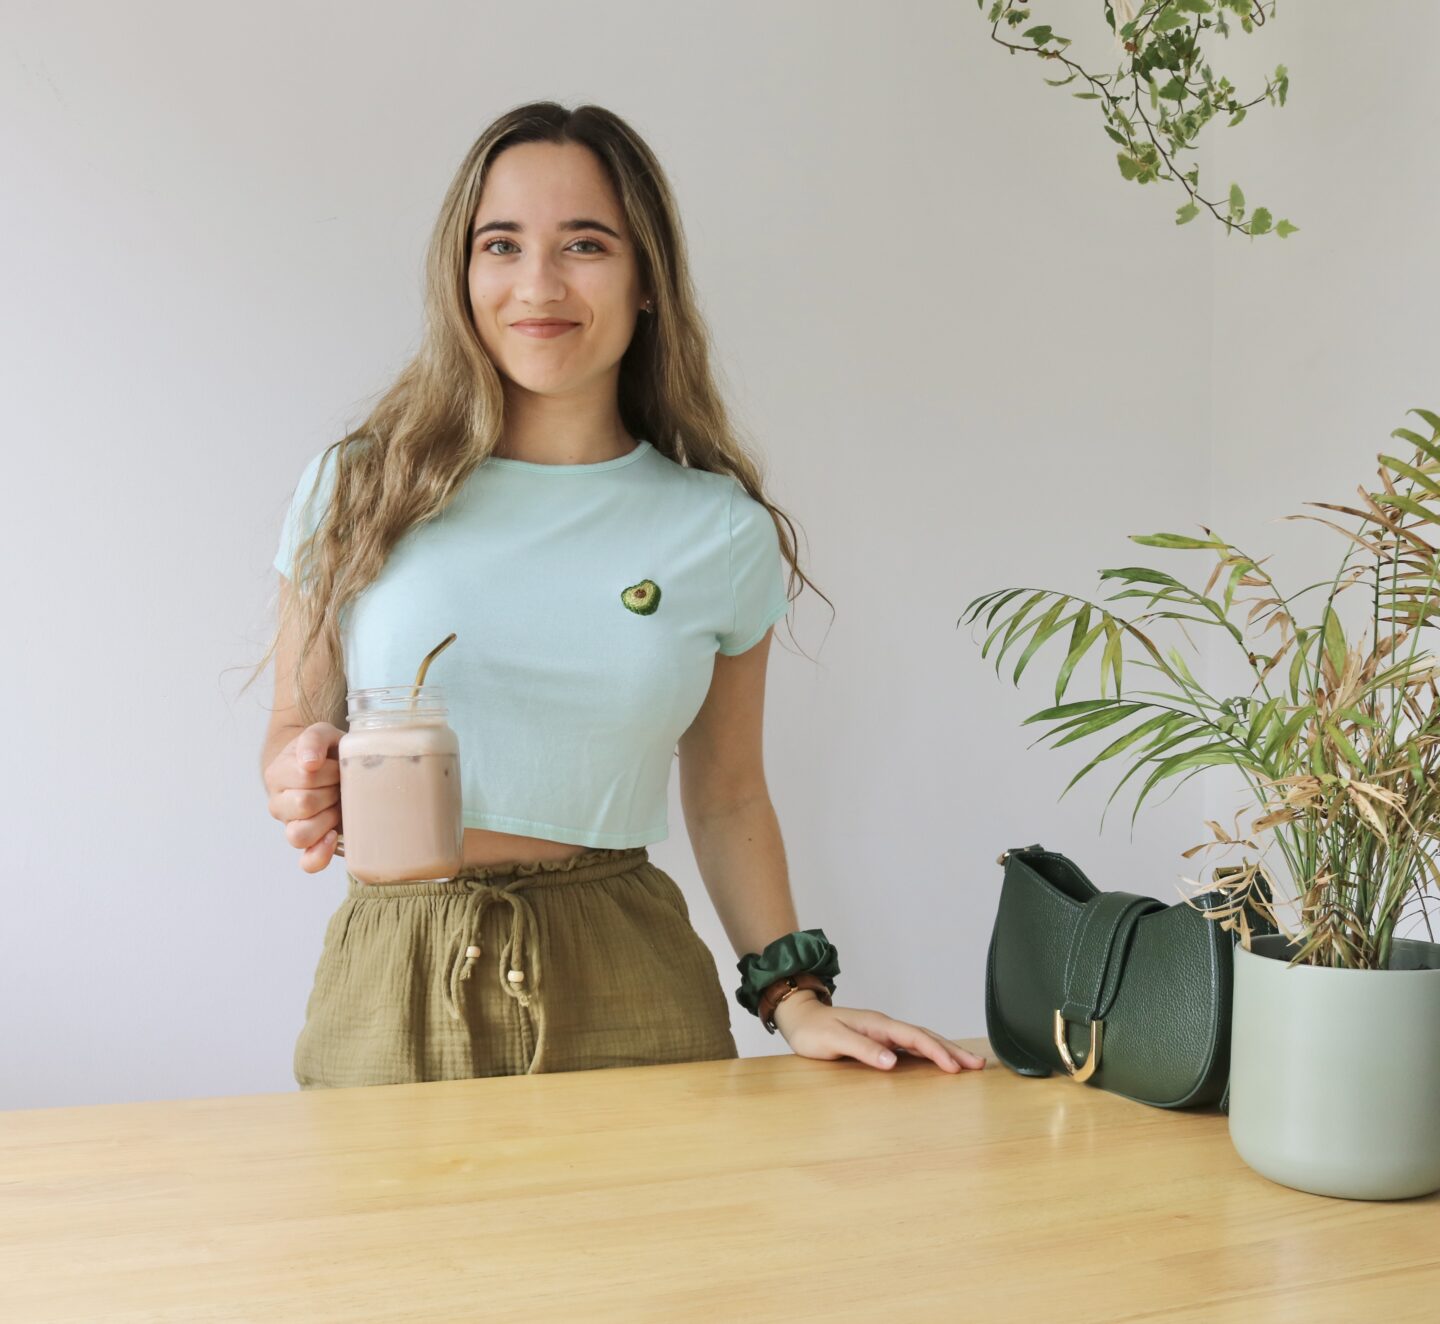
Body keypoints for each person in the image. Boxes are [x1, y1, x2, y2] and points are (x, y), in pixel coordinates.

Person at [252, 100, 987, 1088]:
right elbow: (295, 726)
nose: (538, 284)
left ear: (646, 281)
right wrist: (297, 774)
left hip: (628, 969)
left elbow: (728, 793)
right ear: (461, 275)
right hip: (397, 975)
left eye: (585, 245)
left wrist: (796, 997)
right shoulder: (359, 487)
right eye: (501, 245)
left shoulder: (718, 530)